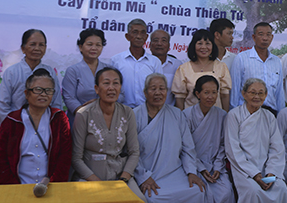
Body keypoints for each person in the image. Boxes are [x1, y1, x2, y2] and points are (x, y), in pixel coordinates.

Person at [71, 67, 145, 201]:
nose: (111, 88)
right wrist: (96, 181)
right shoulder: (83, 114)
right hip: (89, 178)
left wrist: (124, 178)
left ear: (120, 87)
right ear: (96, 89)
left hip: (120, 177)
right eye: (106, 83)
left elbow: (134, 152)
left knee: (139, 199)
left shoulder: (128, 112)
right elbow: (76, 158)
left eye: (116, 83)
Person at [133, 74, 206, 203]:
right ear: (145, 92)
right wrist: (143, 177)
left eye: (162, 89)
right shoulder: (134, 116)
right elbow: (131, 152)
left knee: (197, 191)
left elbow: (188, 148)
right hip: (149, 174)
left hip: (175, 172)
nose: (158, 93)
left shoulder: (177, 114)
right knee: (152, 197)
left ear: (167, 92)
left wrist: (191, 172)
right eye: (153, 89)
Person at [0, 69, 71, 184]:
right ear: (26, 93)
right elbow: (0, 159)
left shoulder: (59, 119)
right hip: (18, 187)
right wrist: (14, 188)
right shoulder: (12, 121)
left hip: (49, 186)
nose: (43, 94)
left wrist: (53, 183)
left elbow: (65, 157)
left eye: (48, 90)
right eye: (38, 90)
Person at [225, 78, 287, 203]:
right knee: (253, 191)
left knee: (281, 189)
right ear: (243, 94)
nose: (257, 96)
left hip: (267, 168)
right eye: (252, 92)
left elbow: (277, 148)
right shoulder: (233, 115)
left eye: (261, 93)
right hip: (244, 170)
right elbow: (233, 150)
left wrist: (272, 172)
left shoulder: (269, 117)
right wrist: (255, 174)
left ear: (266, 95)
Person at [0, 29, 62, 125]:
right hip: (16, 125)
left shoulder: (50, 72)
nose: (37, 48)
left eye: (41, 45)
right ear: (23, 48)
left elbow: (56, 103)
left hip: (44, 125)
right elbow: (2, 105)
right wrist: (11, 127)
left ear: (45, 48)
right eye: (32, 44)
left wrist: (52, 126)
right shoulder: (12, 72)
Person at [185, 75, 235, 203]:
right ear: (198, 94)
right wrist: (200, 168)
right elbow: (186, 147)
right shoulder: (187, 115)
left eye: (214, 92)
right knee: (198, 192)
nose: (210, 97)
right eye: (206, 92)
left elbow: (224, 145)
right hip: (192, 165)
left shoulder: (222, 115)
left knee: (226, 192)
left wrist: (218, 167)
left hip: (216, 165)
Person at [229, 22, 285, 113]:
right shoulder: (241, 58)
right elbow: (235, 90)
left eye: (268, 35)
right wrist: (234, 113)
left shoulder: (277, 61)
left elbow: (279, 92)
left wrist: (281, 114)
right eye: (261, 34)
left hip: (270, 113)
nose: (265, 38)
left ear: (272, 37)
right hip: (246, 112)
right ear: (254, 37)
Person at [172, 29, 231, 110]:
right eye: (199, 43)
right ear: (193, 46)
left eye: (207, 44)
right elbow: (180, 98)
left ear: (213, 46)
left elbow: (224, 95)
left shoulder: (221, 67)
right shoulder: (183, 69)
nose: (203, 47)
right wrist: (181, 118)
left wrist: (225, 116)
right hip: (189, 118)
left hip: (216, 118)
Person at [110, 19, 163, 108]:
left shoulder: (155, 61)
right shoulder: (116, 60)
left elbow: (159, 87)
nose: (139, 36)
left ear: (146, 37)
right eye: (135, 32)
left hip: (148, 110)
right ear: (127, 36)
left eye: (142, 33)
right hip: (121, 109)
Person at [62, 28, 110, 123]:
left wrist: (101, 104)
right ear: (81, 47)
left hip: (105, 118)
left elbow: (120, 94)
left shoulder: (109, 70)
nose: (94, 48)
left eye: (98, 45)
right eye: (89, 44)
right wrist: (83, 113)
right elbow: (69, 98)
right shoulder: (73, 70)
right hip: (79, 119)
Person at [150, 29, 183, 106]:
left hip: (169, 111)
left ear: (168, 46)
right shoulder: (143, 63)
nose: (159, 44)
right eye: (156, 40)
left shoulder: (177, 65)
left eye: (163, 41)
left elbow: (180, 94)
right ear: (150, 45)